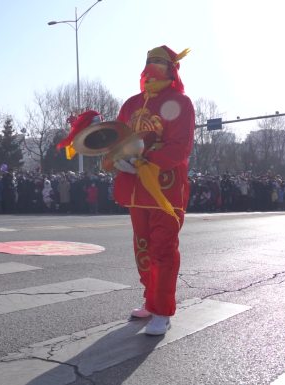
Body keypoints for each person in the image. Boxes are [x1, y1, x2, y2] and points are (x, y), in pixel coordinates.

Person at [112, 46, 195, 335]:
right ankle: (151, 298)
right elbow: (118, 137)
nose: (154, 67)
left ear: (173, 69)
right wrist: (117, 157)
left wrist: (147, 159)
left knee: (163, 249)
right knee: (143, 247)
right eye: (150, 62)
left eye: (161, 62)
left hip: (165, 190)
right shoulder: (132, 103)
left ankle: (162, 310)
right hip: (137, 189)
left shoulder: (181, 103)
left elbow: (180, 146)